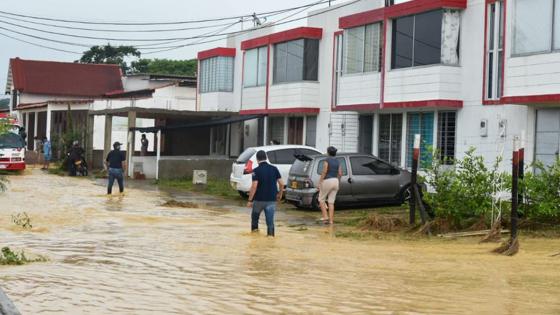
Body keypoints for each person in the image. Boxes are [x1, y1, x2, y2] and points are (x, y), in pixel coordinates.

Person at [247, 150, 284, 237]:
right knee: (270, 223)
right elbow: (282, 183)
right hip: (271, 200)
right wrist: (280, 194)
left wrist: (250, 200)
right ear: (266, 158)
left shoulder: (255, 171)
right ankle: (270, 240)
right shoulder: (274, 169)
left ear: (257, 159)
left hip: (258, 200)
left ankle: (255, 239)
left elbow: (254, 186)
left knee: (255, 220)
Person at [318, 146, 342, 225]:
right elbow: (340, 173)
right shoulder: (338, 161)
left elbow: (324, 171)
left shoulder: (327, 160)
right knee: (331, 202)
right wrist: (337, 181)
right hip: (336, 181)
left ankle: (325, 216)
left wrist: (320, 181)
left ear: (328, 153)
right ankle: (331, 221)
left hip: (328, 180)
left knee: (321, 199)